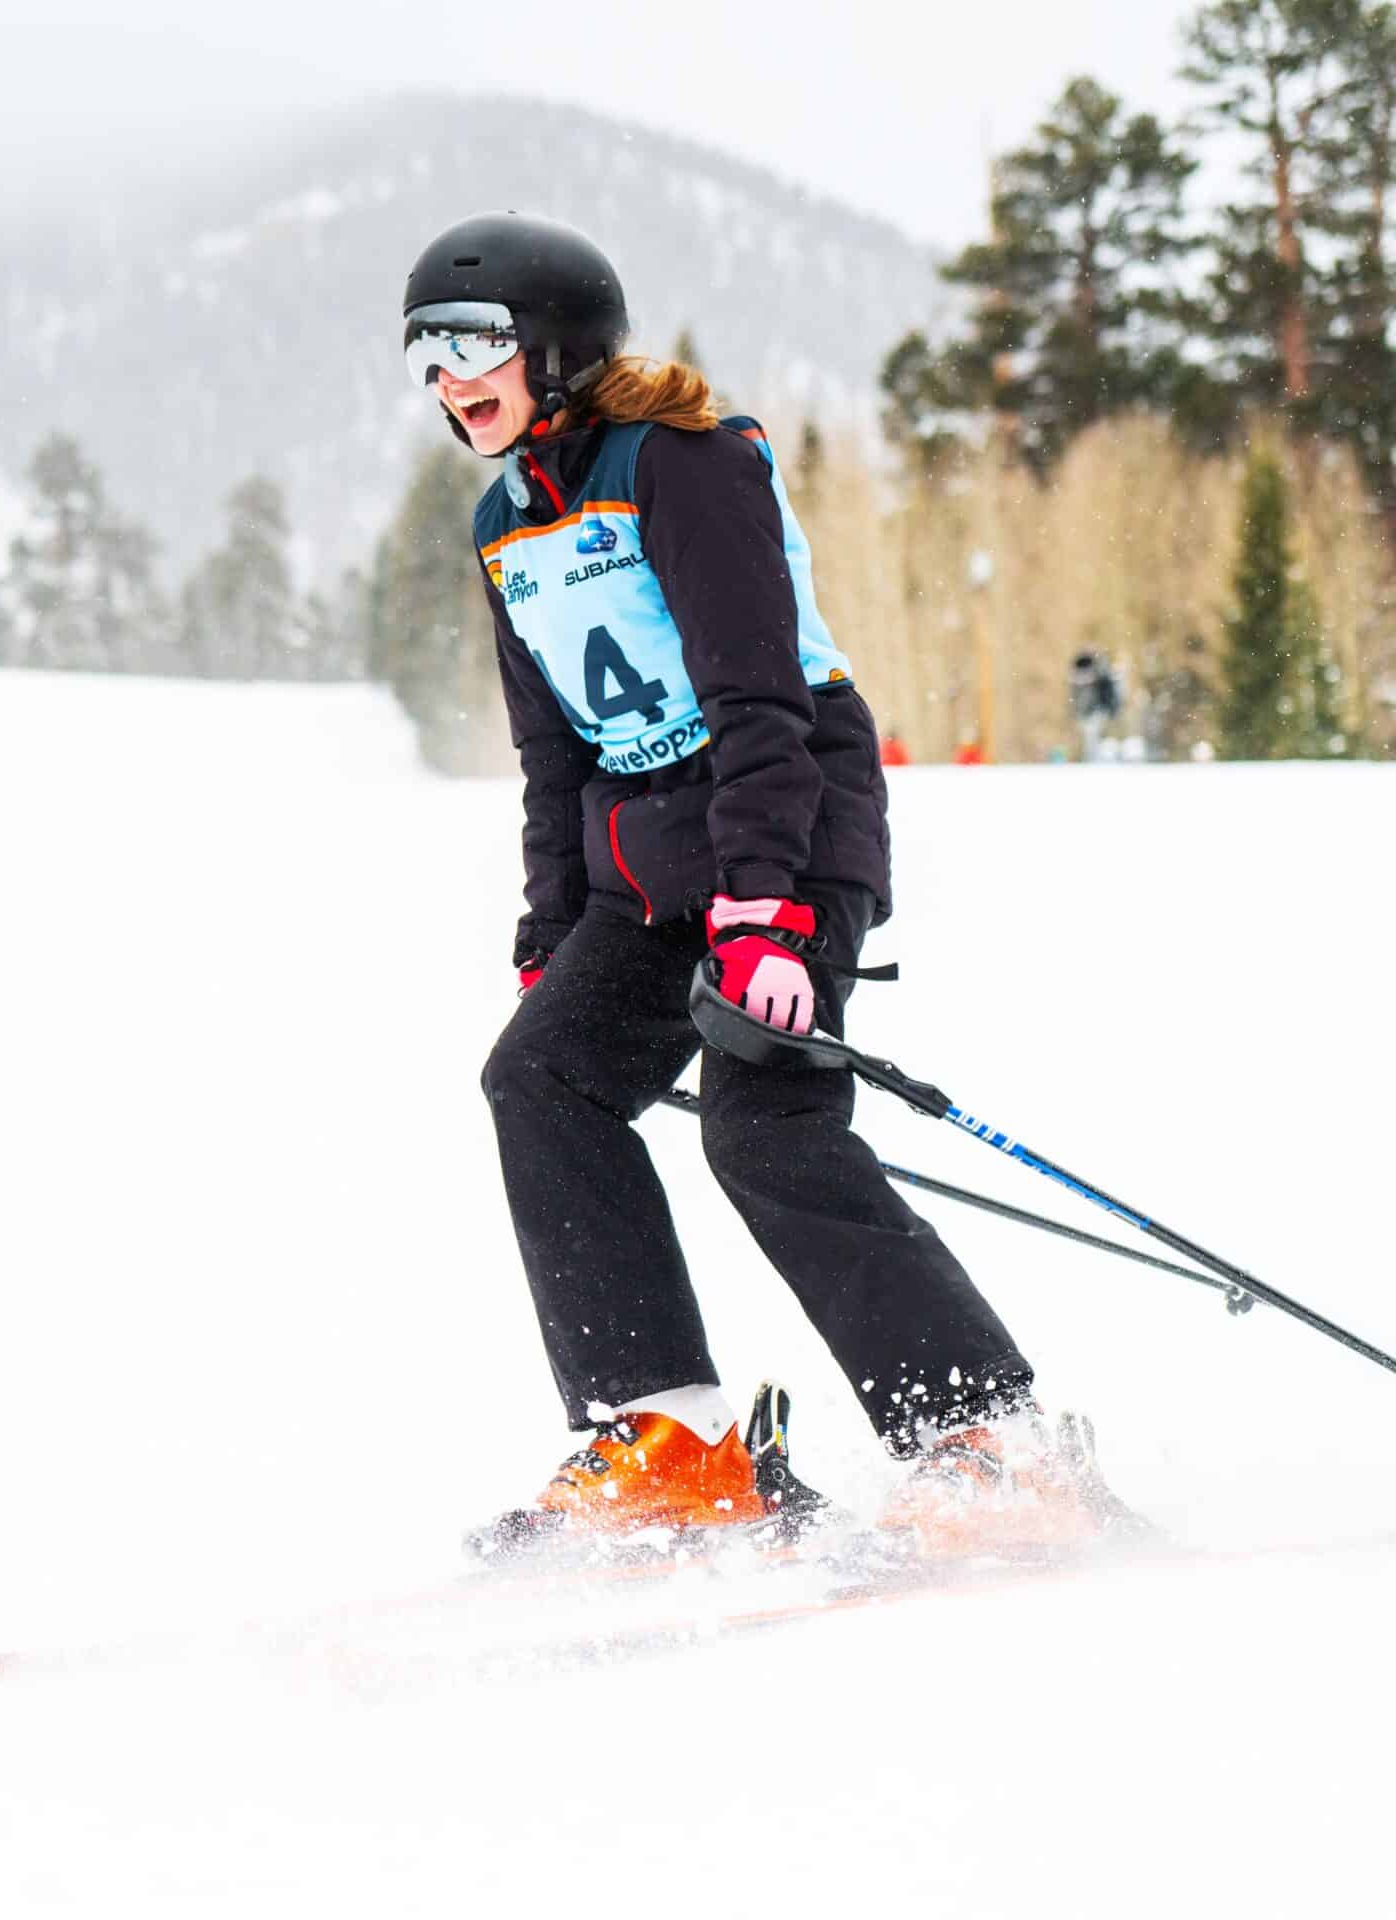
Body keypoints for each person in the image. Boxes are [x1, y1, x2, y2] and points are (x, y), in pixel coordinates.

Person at [400, 212, 1098, 1559]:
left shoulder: (682, 463)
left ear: (554, 345)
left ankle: (986, 1442)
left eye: (470, 343)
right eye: (423, 354)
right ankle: (667, 1434)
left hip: (786, 821)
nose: (445, 377)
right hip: (642, 873)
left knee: (764, 1128)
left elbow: (758, 692)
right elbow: (552, 752)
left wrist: (769, 906)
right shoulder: (508, 520)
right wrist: (553, 931)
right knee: (540, 1078)